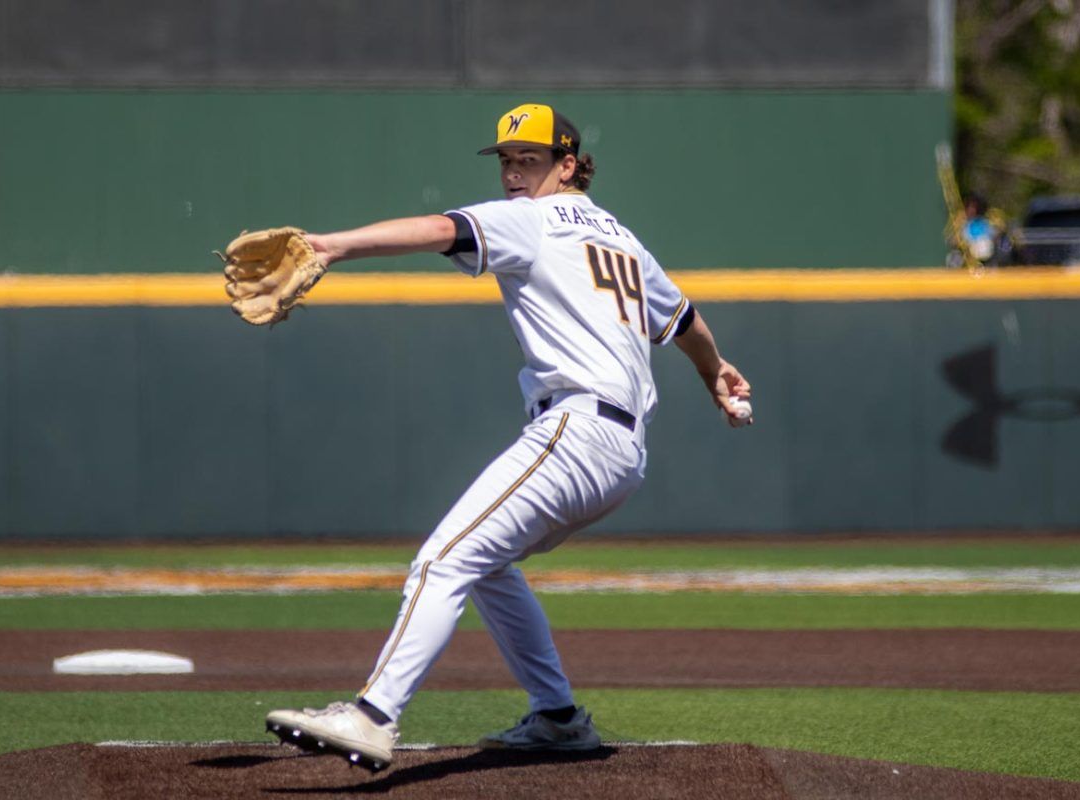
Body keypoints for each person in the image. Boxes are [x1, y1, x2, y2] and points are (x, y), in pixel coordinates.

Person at [265, 103, 752, 771]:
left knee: (443, 559)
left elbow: (441, 228)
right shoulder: (622, 240)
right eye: (506, 160)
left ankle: (374, 714)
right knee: (486, 562)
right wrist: (715, 372)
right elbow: (685, 320)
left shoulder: (534, 220)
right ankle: (556, 718)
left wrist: (332, 245)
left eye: (531, 159)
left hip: (578, 431)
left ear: (570, 164)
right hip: (620, 451)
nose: (515, 173)